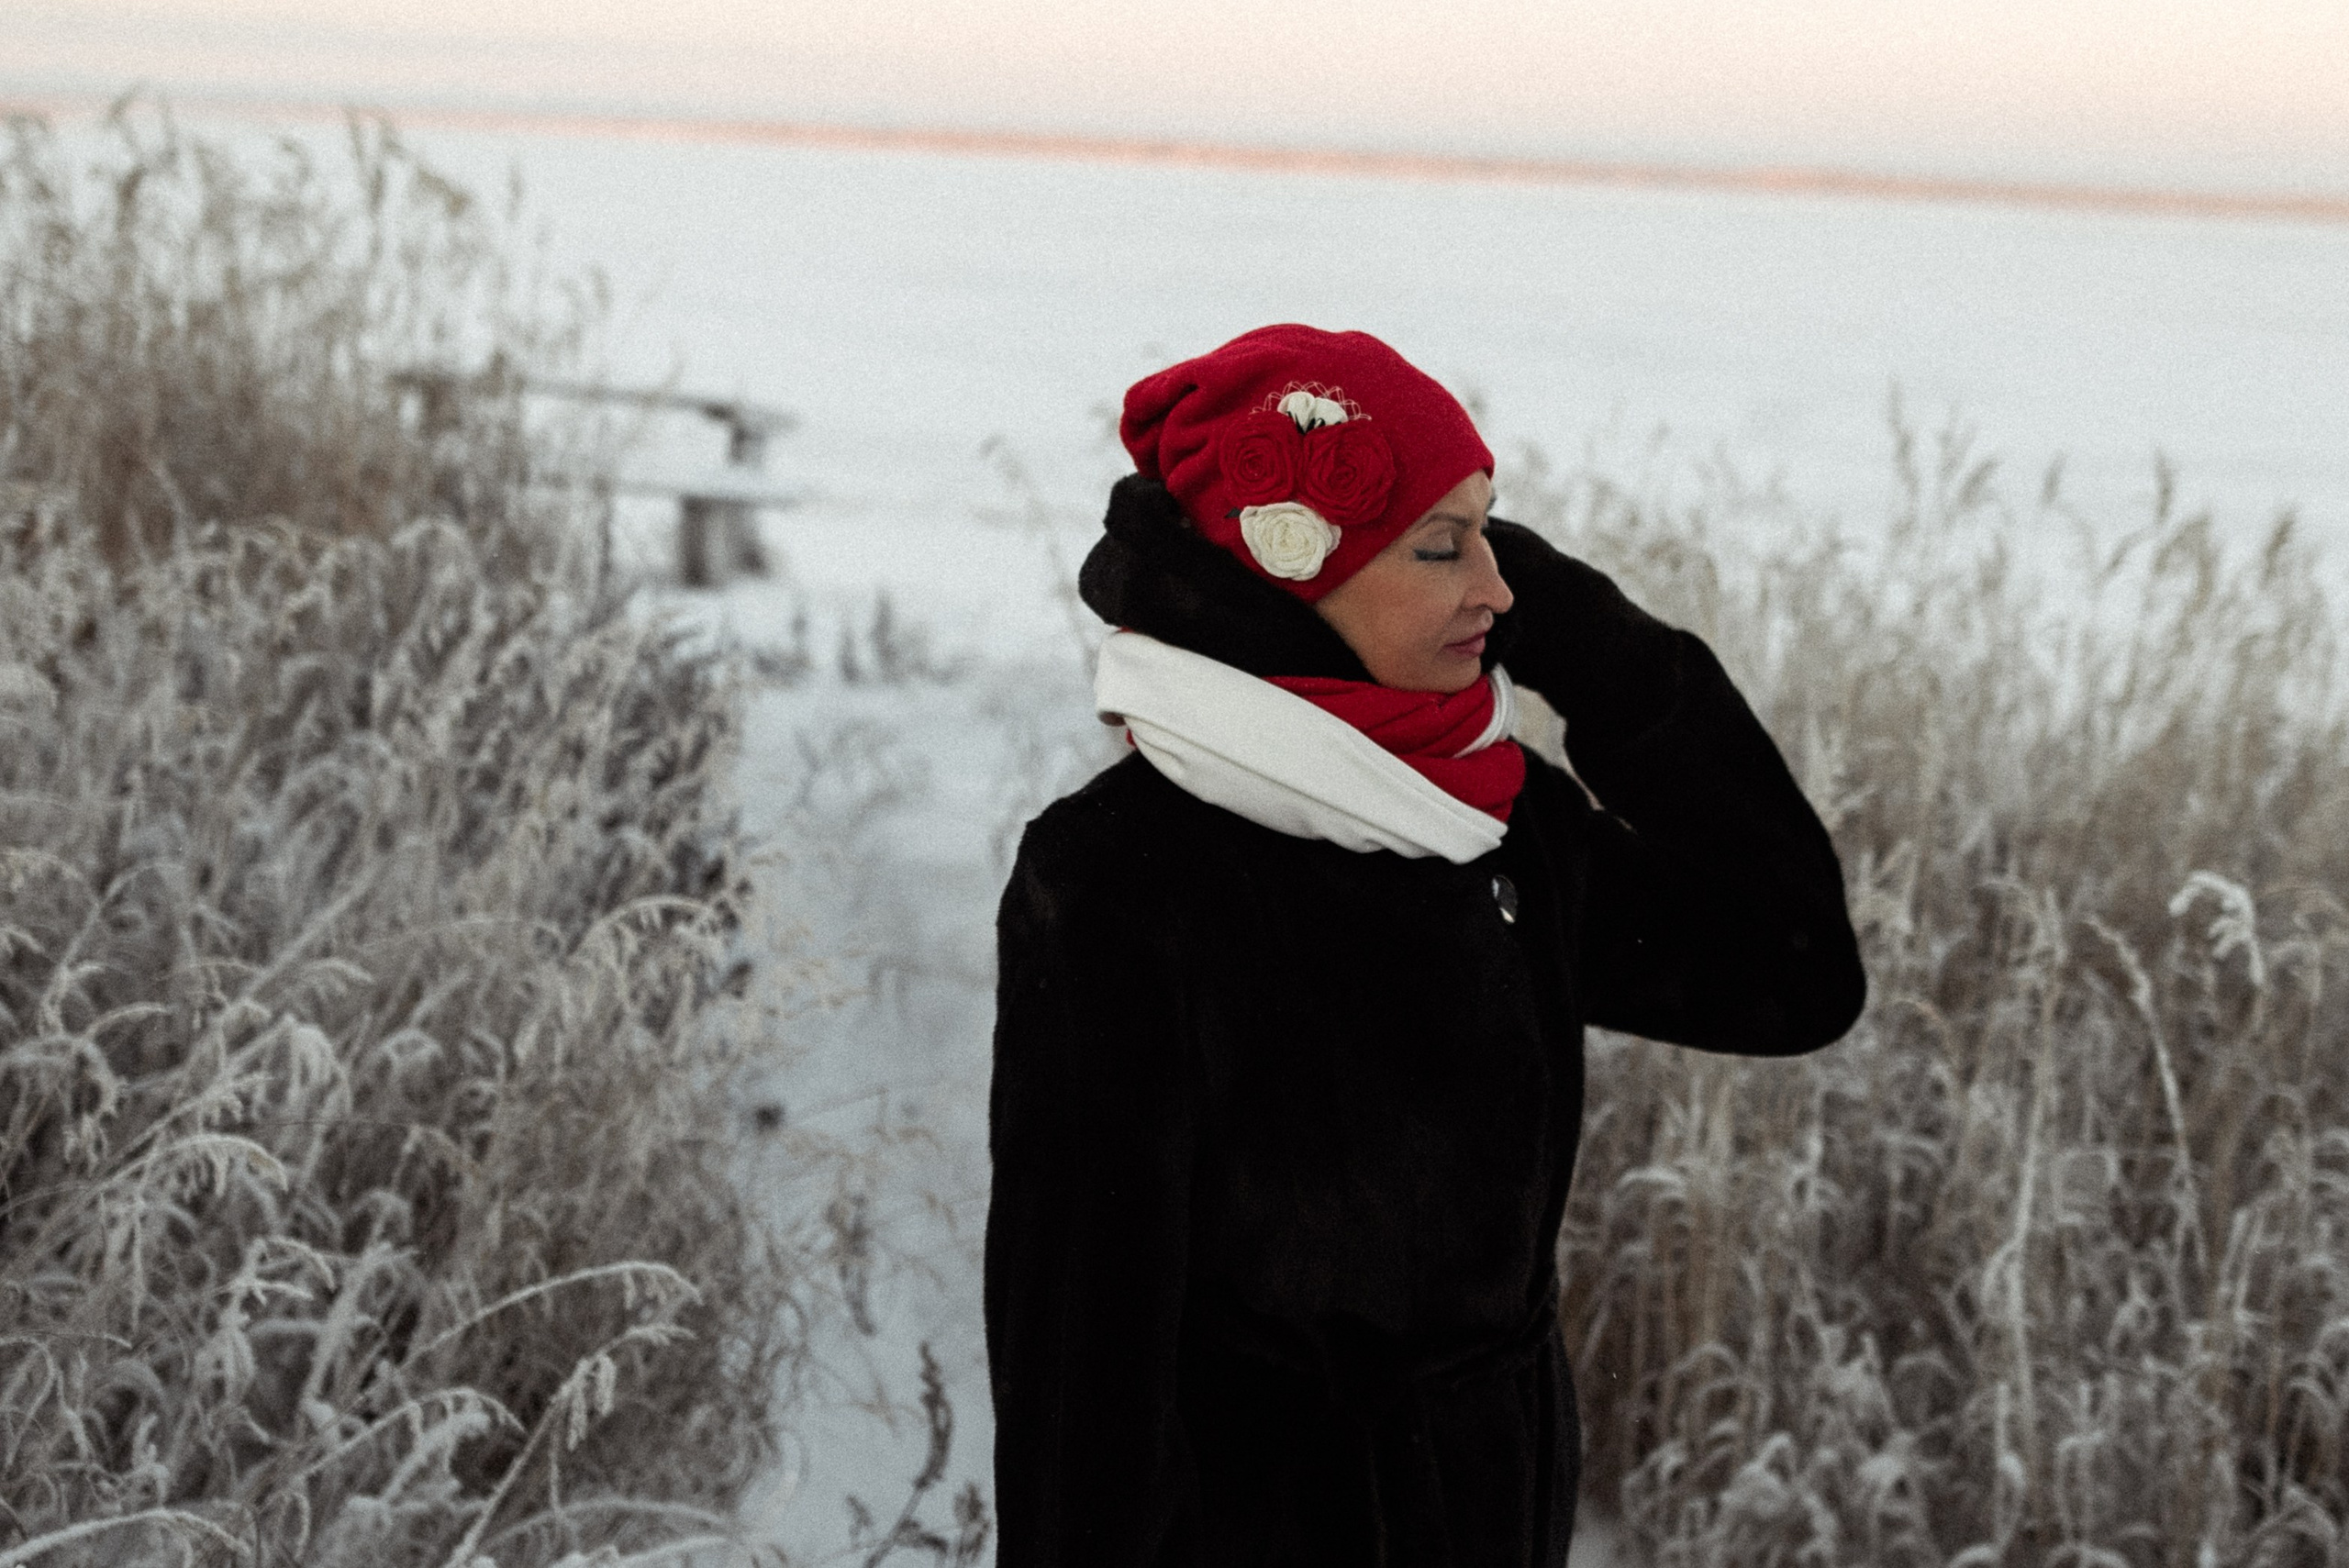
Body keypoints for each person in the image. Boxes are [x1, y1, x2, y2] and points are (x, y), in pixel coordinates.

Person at [984, 325, 1865, 1566]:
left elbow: (1793, 974)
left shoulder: (1496, 819)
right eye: (1440, 545)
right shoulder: (1127, 874)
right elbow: (1081, 1351)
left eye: (1495, 533)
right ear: (1295, 573)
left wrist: (1598, 649)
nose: (1496, 586)